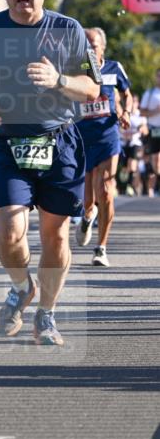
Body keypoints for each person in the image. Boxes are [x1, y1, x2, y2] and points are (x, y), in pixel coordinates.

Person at [0, 0, 101, 347]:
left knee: (55, 236)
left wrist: (59, 80)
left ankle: (47, 315)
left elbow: (93, 88)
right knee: (8, 230)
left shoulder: (68, 29)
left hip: (60, 141)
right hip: (8, 140)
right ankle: (22, 288)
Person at [74, 28, 132, 267]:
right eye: (86, 45)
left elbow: (126, 93)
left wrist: (126, 111)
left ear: (102, 48)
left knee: (106, 190)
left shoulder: (114, 68)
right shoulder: (75, 70)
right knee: (88, 199)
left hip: (108, 136)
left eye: (94, 45)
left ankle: (101, 248)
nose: (90, 49)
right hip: (83, 138)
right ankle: (88, 217)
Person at [140, 67, 160, 197]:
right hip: (155, 129)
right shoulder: (150, 93)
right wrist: (155, 111)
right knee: (156, 158)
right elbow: (142, 111)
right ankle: (153, 185)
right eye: (158, 76)